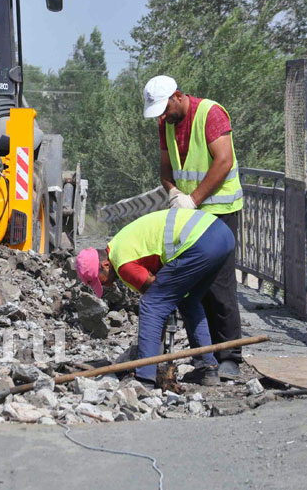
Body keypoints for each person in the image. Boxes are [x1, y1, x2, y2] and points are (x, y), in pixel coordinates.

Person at [142, 75, 244, 379]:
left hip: (220, 208)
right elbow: (166, 165)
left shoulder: (210, 113)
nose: (163, 117)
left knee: (220, 283)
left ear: (177, 96)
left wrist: (194, 199)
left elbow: (223, 161)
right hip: (190, 213)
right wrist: (173, 191)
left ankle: (231, 356)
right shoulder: (166, 123)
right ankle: (207, 357)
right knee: (196, 286)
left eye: (165, 109)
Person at [75, 208, 235, 388]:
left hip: (200, 241)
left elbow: (156, 299)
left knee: (152, 304)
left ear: (105, 265)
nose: (107, 285)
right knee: (188, 301)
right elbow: (166, 292)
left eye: (100, 280)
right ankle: (208, 369)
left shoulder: (123, 263)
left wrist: (146, 355)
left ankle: (144, 378)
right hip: (222, 235)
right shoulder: (120, 243)